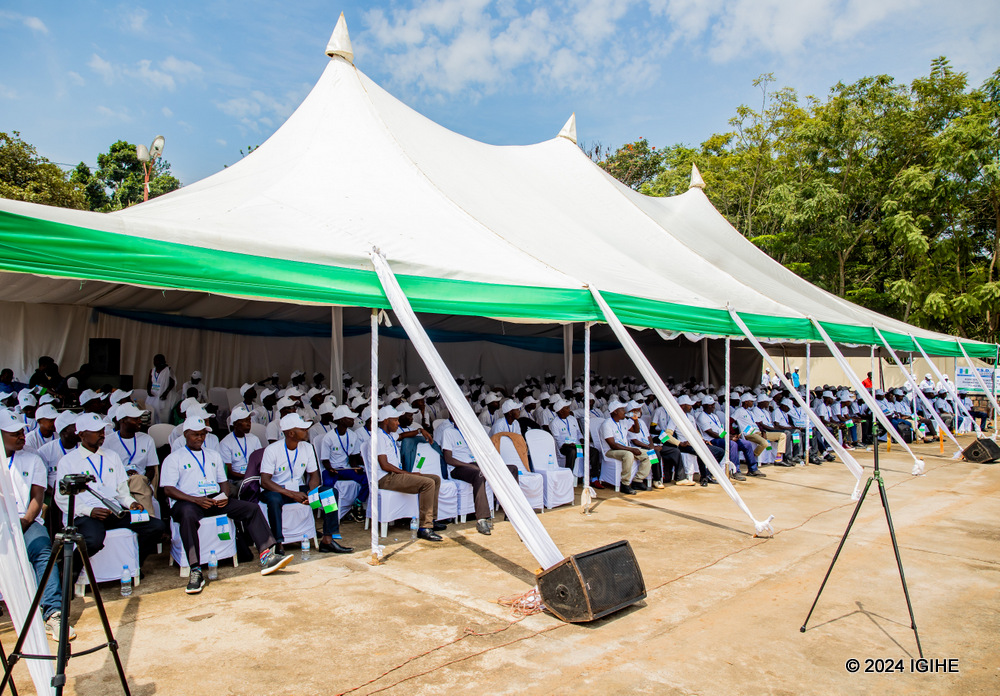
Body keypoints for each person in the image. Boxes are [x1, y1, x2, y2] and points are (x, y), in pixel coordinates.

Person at [160, 416, 294, 594]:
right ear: (186, 434)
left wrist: (224, 495)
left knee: (251, 509)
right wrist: (195, 500)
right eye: (195, 434)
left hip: (214, 499)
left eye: (202, 434)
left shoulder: (213, 455)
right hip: (188, 502)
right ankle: (195, 570)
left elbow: (223, 482)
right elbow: (168, 489)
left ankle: (266, 555)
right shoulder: (174, 458)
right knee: (187, 515)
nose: (200, 438)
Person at [53, 413, 167, 580]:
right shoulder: (68, 461)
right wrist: (90, 511)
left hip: (113, 512)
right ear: (82, 434)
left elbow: (122, 492)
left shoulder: (111, 456)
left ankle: (134, 563)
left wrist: (131, 503)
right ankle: (70, 569)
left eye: (102, 430)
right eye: (96, 431)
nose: (102, 434)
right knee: (93, 541)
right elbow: (62, 497)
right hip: (85, 515)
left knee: (156, 527)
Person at [260, 413, 352, 554]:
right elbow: (265, 481)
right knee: (274, 500)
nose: (306, 431)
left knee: (330, 493)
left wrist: (312, 492)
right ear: (291, 433)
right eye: (302, 429)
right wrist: (292, 494)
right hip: (278, 490)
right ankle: (278, 544)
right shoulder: (272, 450)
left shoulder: (307, 447)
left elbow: (314, 474)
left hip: (299, 490)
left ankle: (327, 540)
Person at [374, 406, 445, 541]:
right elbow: (384, 465)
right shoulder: (379, 437)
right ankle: (424, 527)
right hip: (386, 478)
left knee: (435, 479)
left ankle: (431, 520)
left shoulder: (389, 435)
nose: (398, 423)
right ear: (386, 421)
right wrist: (407, 474)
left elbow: (402, 436)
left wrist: (420, 430)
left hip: (395, 476)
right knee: (428, 483)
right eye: (395, 420)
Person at [103, 404, 159, 515]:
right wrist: (124, 473)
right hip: (118, 483)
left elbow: (151, 469)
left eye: (139, 418)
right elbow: (105, 470)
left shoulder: (147, 439)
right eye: (135, 419)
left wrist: (143, 480)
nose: (139, 421)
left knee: (138, 480)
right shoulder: (108, 441)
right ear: (122, 420)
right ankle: (148, 518)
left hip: (142, 482)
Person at [318, 404, 369, 504]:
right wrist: (330, 469)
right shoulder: (328, 437)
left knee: (367, 479)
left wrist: (355, 467)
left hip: (346, 469)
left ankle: (358, 502)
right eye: (350, 418)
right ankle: (329, 510)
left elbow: (353, 457)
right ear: (341, 420)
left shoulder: (353, 435)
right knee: (327, 484)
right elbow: (325, 460)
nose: (353, 420)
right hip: (332, 469)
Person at [598, 400, 651, 495]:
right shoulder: (607, 424)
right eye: (622, 409)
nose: (624, 411)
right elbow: (613, 445)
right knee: (628, 454)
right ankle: (625, 484)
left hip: (624, 449)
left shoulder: (624, 422)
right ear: (615, 411)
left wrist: (635, 420)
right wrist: (631, 449)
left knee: (649, 454)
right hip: (610, 451)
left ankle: (638, 480)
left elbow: (636, 430)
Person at [218, 405, 263, 491]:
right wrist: (249, 476)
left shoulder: (254, 438)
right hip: (238, 479)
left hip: (255, 476)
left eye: (249, 420)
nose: (249, 424)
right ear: (235, 424)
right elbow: (229, 472)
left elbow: (261, 461)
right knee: (250, 487)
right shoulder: (225, 443)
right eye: (245, 421)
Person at [146, 354, 175, 424]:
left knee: (162, 416)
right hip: (153, 395)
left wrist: (165, 393)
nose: (155, 362)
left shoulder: (168, 370)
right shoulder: (152, 370)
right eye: (155, 360)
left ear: (163, 361)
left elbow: (172, 383)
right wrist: (148, 391)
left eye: (158, 360)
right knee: (151, 414)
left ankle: (161, 428)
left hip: (163, 395)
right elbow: (149, 382)